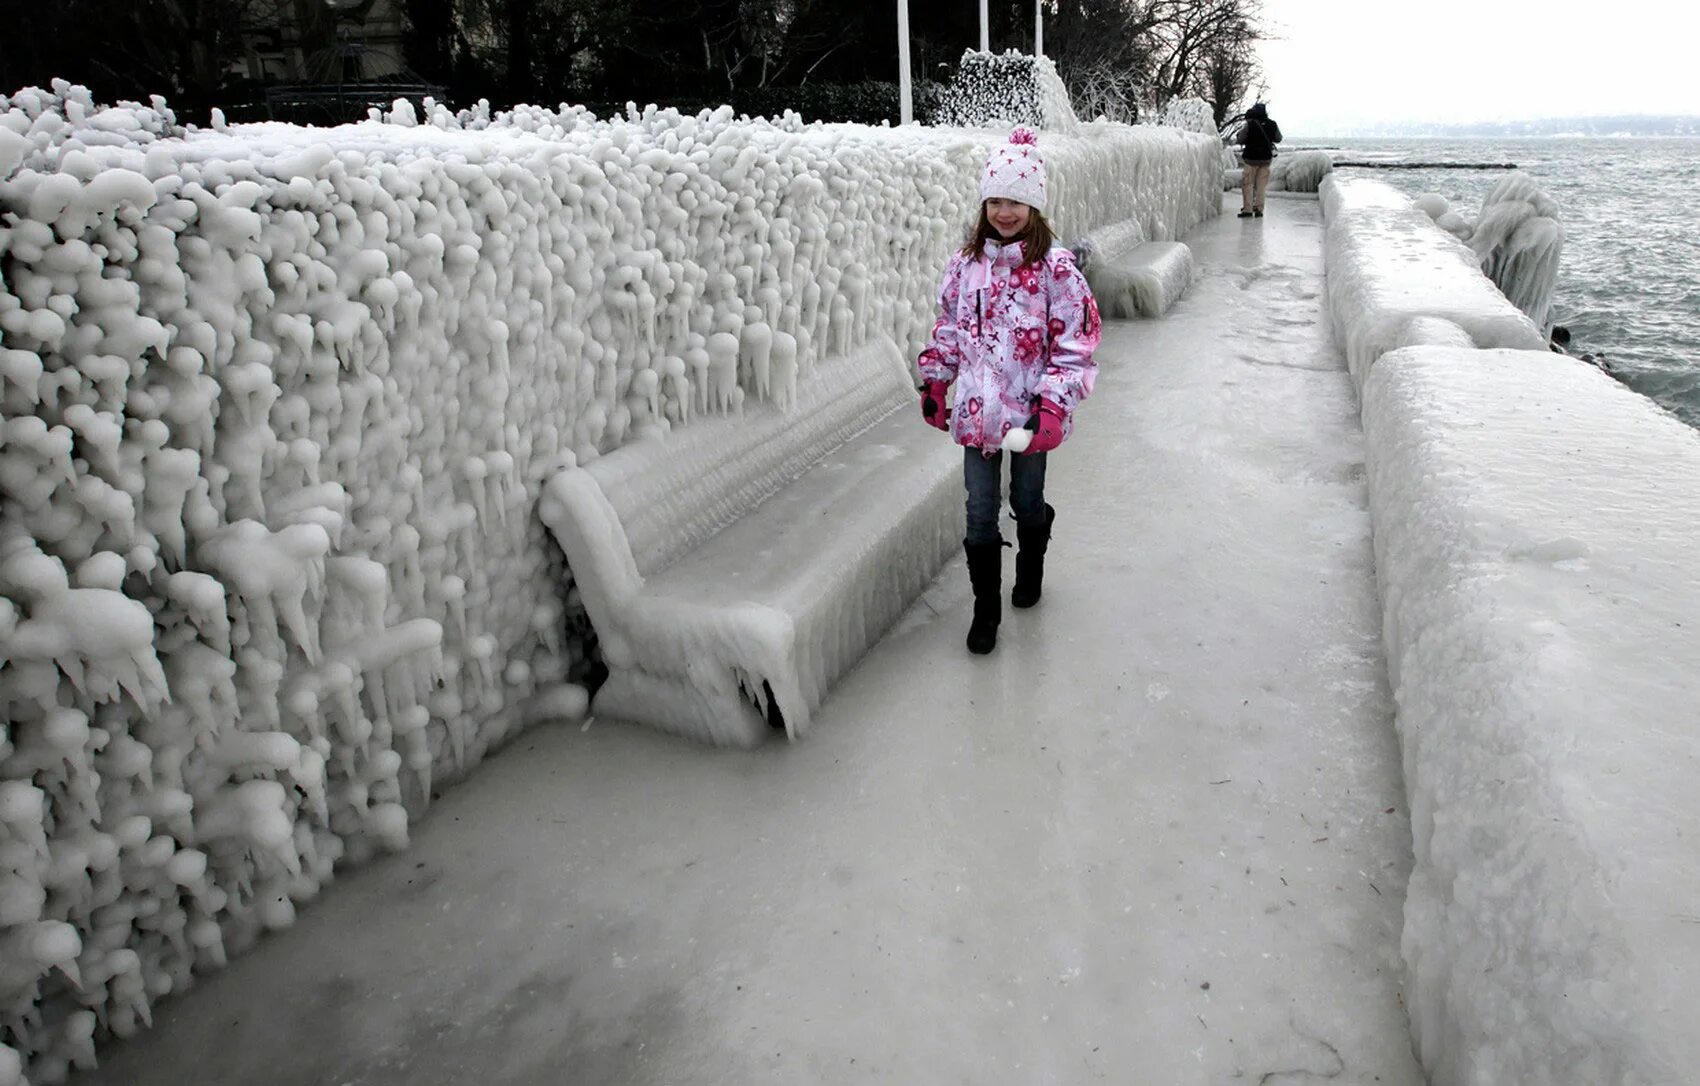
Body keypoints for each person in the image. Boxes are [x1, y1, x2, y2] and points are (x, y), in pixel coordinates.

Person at [916, 127, 1102, 655]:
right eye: (995, 199)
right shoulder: (965, 265)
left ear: (1035, 205)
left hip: (1028, 418)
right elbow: (949, 327)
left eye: (1016, 200)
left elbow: (1075, 344)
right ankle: (984, 610)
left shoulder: (1055, 271)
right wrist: (936, 378)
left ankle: (1032, 562)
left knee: (1025, 499)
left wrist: (1052, 405)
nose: (1004, 211)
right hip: (977, 413)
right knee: (979, 510)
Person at [1234, 102, 1282, 218]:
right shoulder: (1272, 124)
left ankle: (1248, 209)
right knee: (1261, 186)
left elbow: (1241, 139)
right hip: (1266, 159)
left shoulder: (1250, 124)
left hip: (1251, 159)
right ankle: (1259, 209)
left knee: (1248, 184)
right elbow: (1278, 138)